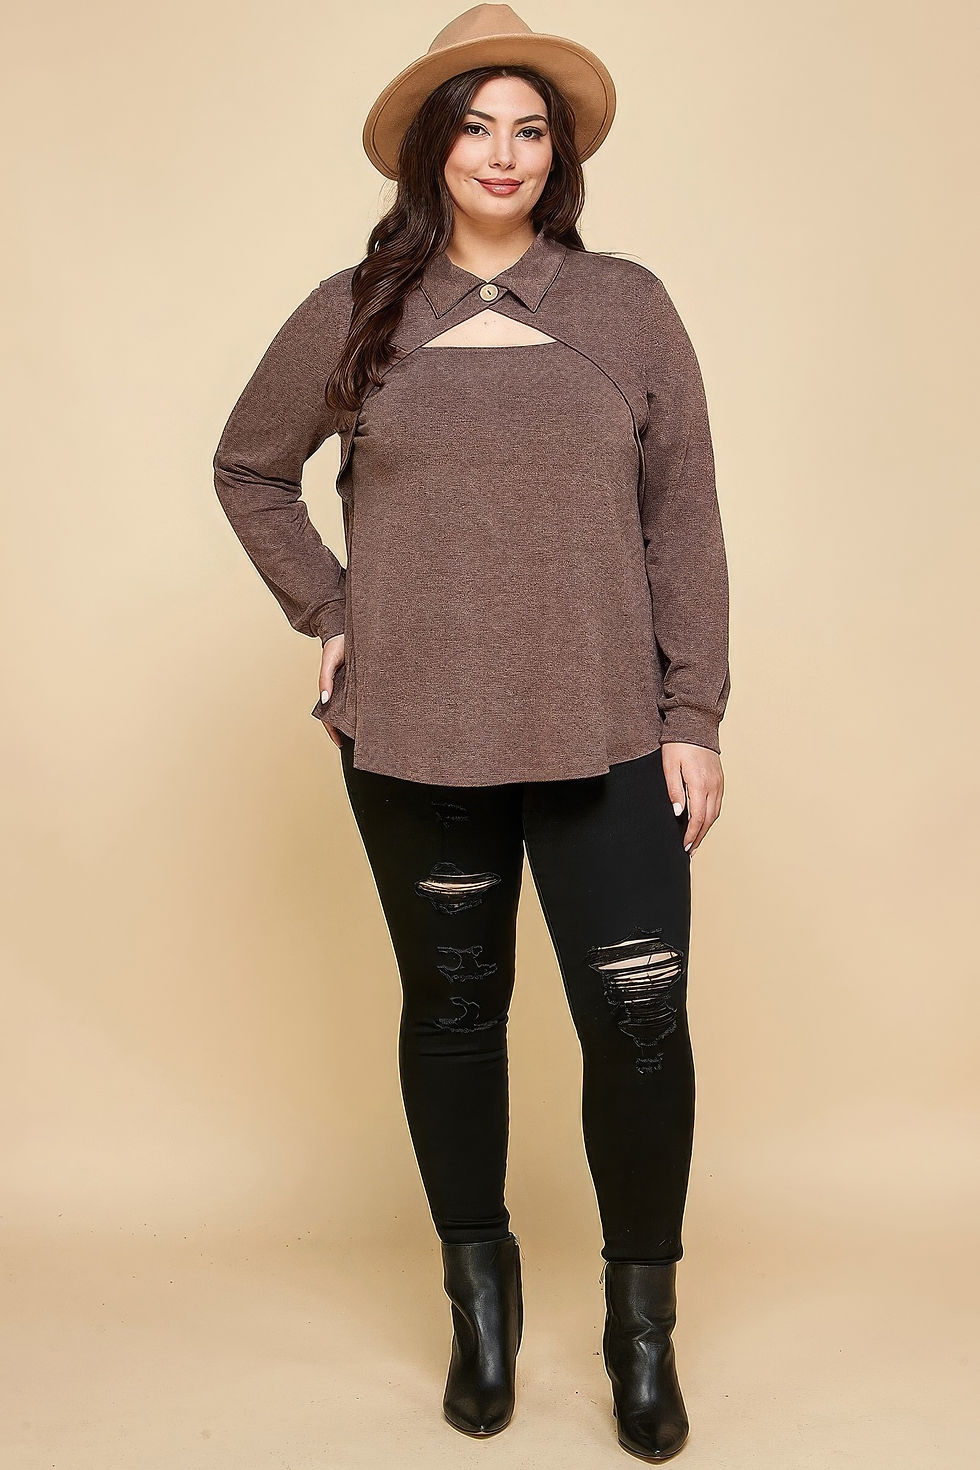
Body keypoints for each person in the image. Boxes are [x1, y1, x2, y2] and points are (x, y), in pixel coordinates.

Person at [212, 4, 731, 1460]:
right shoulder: (358, 311)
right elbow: (251, 468)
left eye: (530, 129)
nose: (504, 153)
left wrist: (693, 710)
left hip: (611, 730)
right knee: (454, 1016)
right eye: (476, 126)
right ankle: (479, 1304)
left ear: (557, 154)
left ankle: (642, 1328)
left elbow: (684, 516)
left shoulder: (627, 307)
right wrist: (333, 608)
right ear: (433, 150)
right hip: (416, 736)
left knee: (640, 1021)